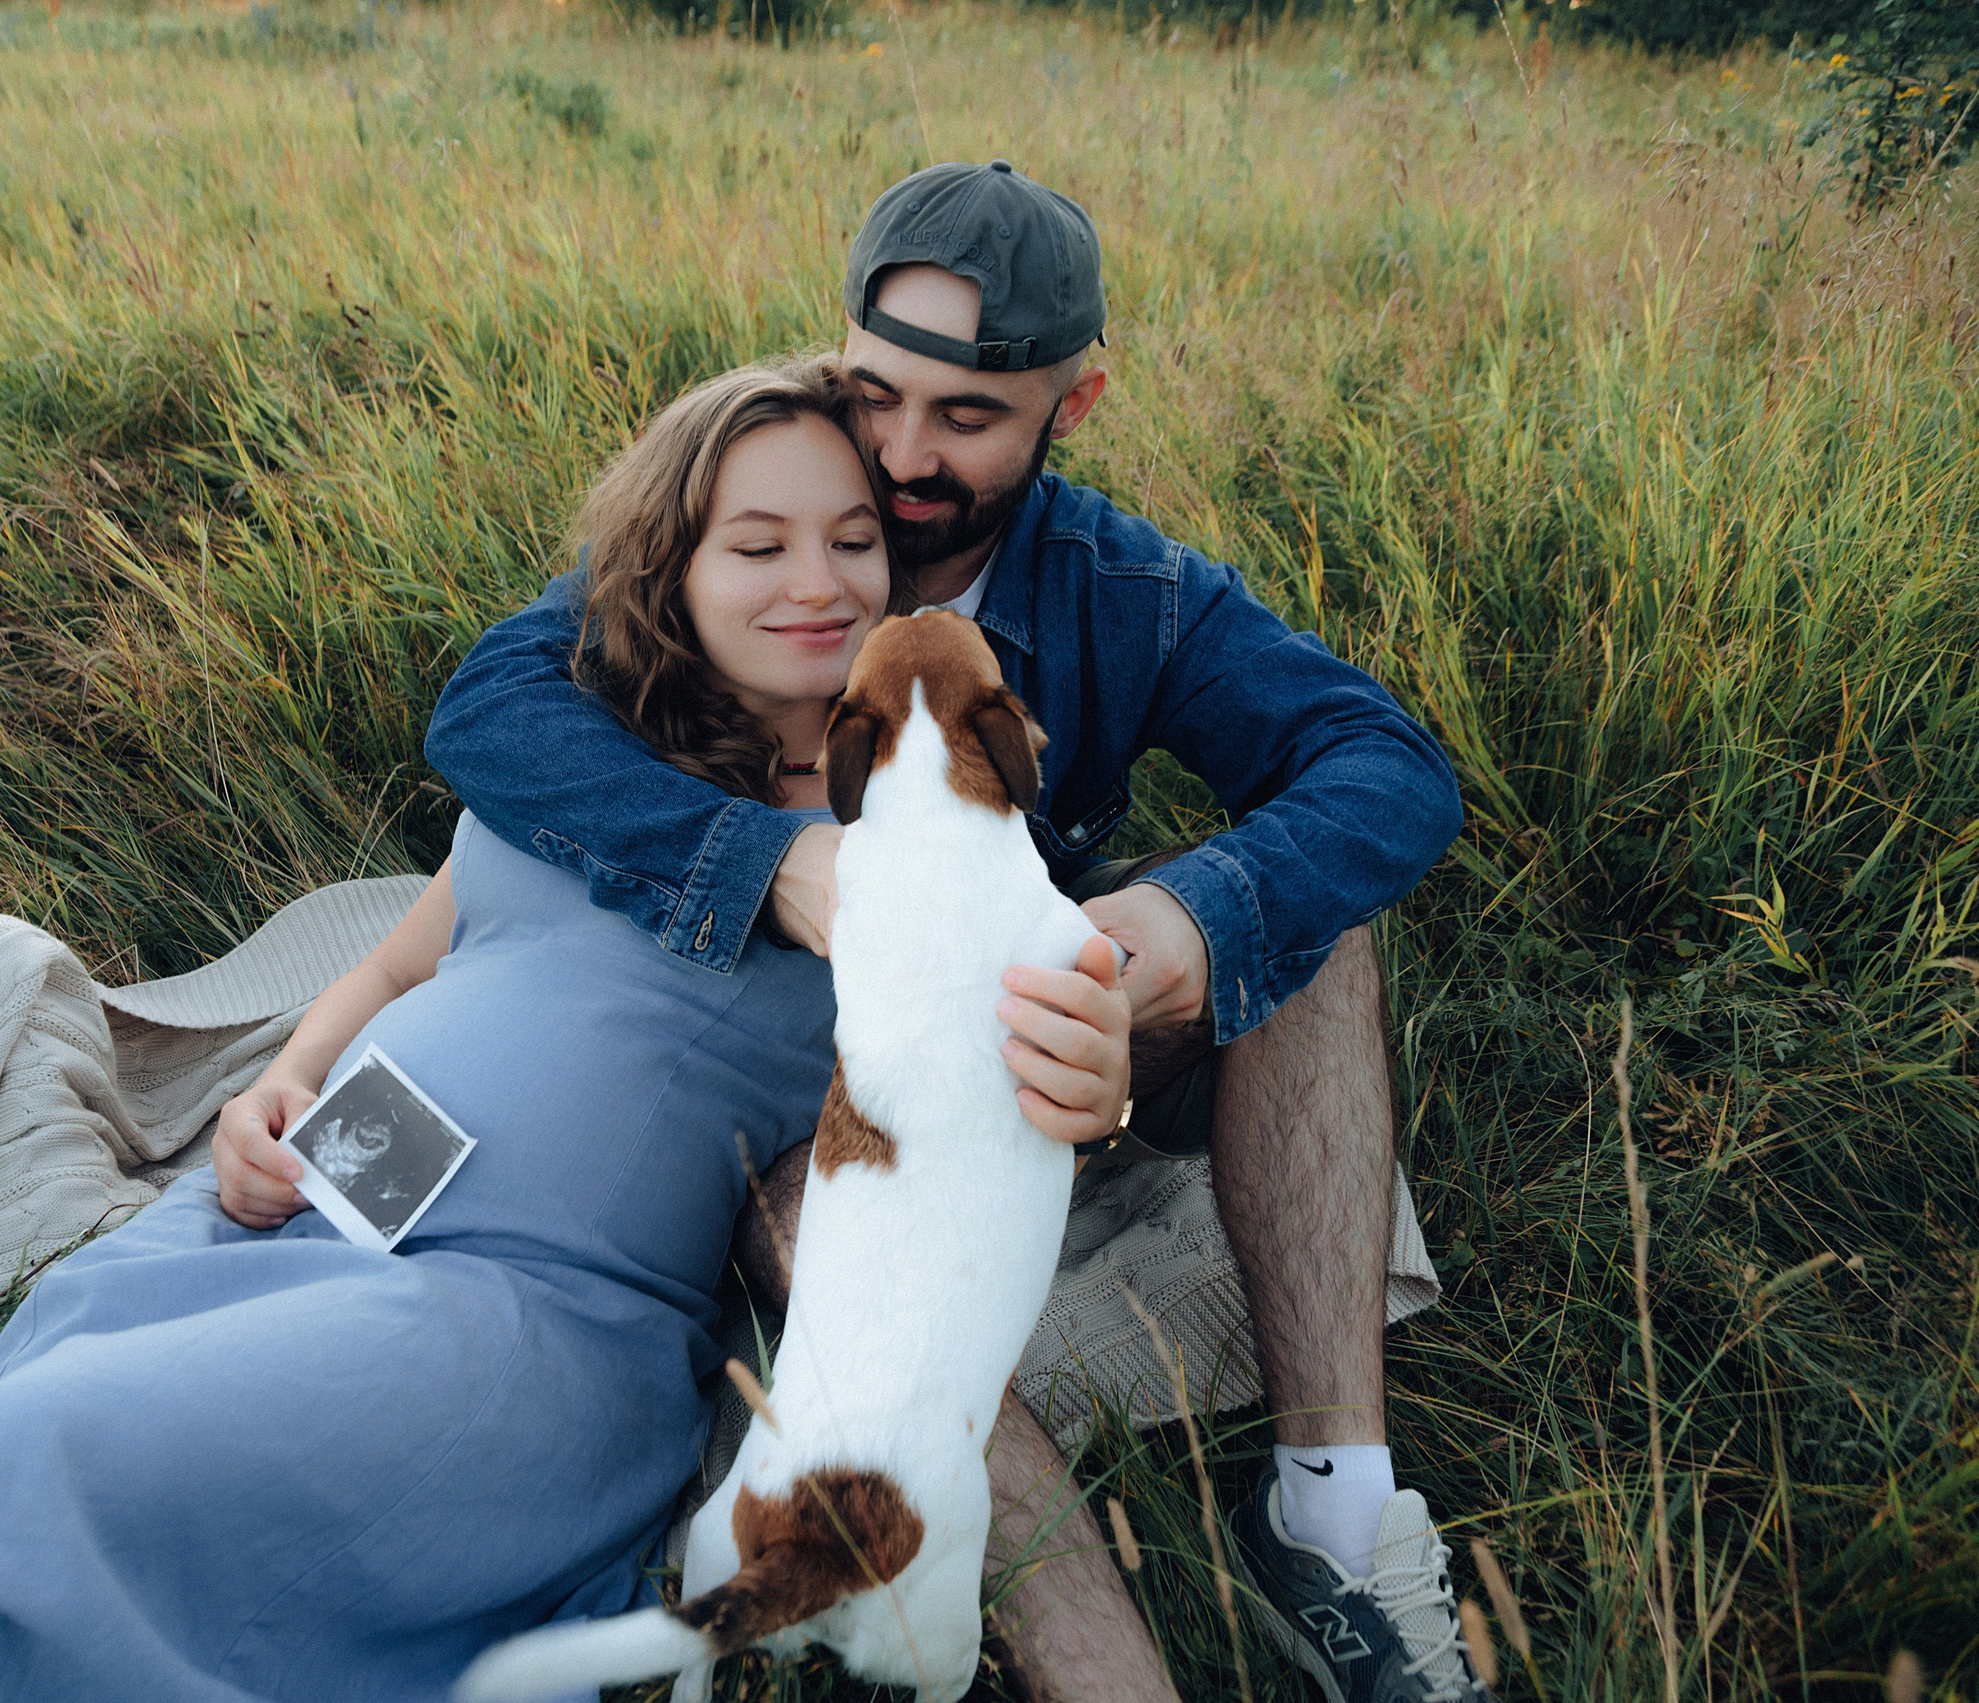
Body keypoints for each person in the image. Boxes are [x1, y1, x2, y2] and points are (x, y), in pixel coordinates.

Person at [0, 357, 1146, 1703]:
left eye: (851, 542)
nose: (815, 583)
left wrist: (1103, 1084)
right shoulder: (584, 761)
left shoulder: (921, 847)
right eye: (757, 546)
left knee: (24, 1466)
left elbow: (1020, 1061)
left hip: (517, 1306)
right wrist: (280, 1087)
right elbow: (394, 963)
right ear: (673, 574)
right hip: (306, 1218)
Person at [424, 162, 1489, 1703]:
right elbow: (494, 706)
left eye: (971, 417)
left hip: (1067, 1022)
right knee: (860, 1244)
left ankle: (1331, 1516)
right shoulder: (765, 503)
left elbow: (1385, 767)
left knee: (1316, 935)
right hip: (836, 1107)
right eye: (879, 393)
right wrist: (775, 865)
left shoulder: (1129, 590)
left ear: (1077, 401)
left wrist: (1189, 926)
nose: (905, 458)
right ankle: (1106, 1672)